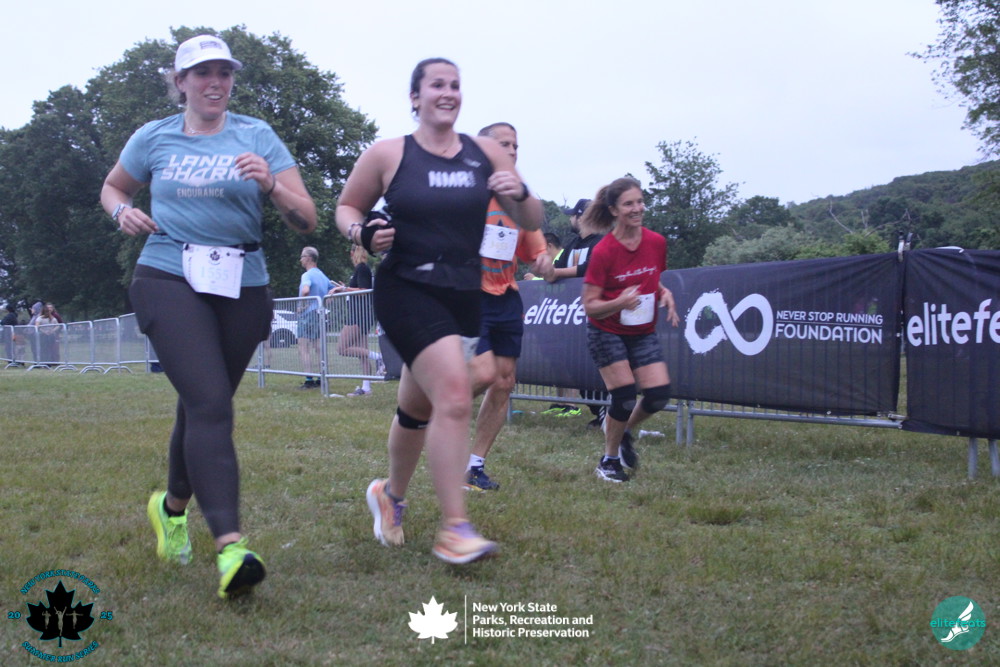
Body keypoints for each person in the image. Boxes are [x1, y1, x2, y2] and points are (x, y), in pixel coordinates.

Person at [100, 34, 317, 598]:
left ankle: (171, 509)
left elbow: (307, 218)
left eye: (224, 72)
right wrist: (122, 211)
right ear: (181, 82)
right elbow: (114, 187)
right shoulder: (154, 136)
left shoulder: (257, 135)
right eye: (202, 73)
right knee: (211, 403)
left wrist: (271, 184)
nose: (215, 82)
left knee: (201, 404)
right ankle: (231, 548)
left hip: (242, 281)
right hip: (167, 273)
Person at [336, 57, 543, 563]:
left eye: (455, 84)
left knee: (417, 408)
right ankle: (455, 528)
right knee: (453, 394)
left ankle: (390, 496)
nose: (448, 92)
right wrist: (362, 232)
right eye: (436, 85)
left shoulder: (485, 151)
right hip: (407, 287)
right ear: (415, 97)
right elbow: (346, 207)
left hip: (463, 292)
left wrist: (519, 193)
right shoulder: (389, 153)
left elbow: (531, 215)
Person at [466, 122, 552, 491]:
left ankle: (473, 466)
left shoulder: (518, 200)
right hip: (468, 294)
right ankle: (427, 411)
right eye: (504, 144)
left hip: (505, 295)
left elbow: (536, 252)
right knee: (483, 374)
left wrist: (544, 260)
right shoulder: (466, 192)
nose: (513, 151)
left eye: (516, 145)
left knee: (503, 381)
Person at [581, 177, 679, 483]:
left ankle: (622, 432)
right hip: (605, 330)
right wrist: (620, 302)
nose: (637, 209)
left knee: (658, 395)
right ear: (614, 210)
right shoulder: (604, 251)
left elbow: (651, 277)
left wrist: (664, 292)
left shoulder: (656, 242)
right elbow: (589, 305)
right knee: (623, 395)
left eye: (640, 202)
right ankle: (609, 461)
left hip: (642, 331)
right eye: (628, 204)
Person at [546, 197, 609, 424]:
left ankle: (608, 412)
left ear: (582, 217)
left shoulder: (603, 242)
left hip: (598, 317)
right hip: (571, 320)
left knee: (598, 368)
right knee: (578, 369)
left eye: (573, 215)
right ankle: (598, 412)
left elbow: (591, 267)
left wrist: (556, 273)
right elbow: (554, 268)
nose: (570, 219)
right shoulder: (572, 244)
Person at [331, 212, 384, 396]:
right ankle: (366, 387)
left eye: (351, 251)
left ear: (355, 252)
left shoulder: (361, 268)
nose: (350, 255)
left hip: (358, 316)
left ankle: (379, 358)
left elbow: (363, 290)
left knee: (342, 348)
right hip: (360, 314)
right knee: (362, 352)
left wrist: (344, 289)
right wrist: (344, 288)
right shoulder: (361, 269)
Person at [297, 246, 332, 389]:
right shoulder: (323, 275)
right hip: (320, 313)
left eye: (302, 256)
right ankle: (321, 378)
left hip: (307, 314)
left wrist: (302, 306)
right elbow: (332, 292)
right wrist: (325, 304)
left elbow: (305, 290)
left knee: (303, 347)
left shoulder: (307, 275)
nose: (300, 259)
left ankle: (309, 380)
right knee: (319, 347)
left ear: (308, 258)